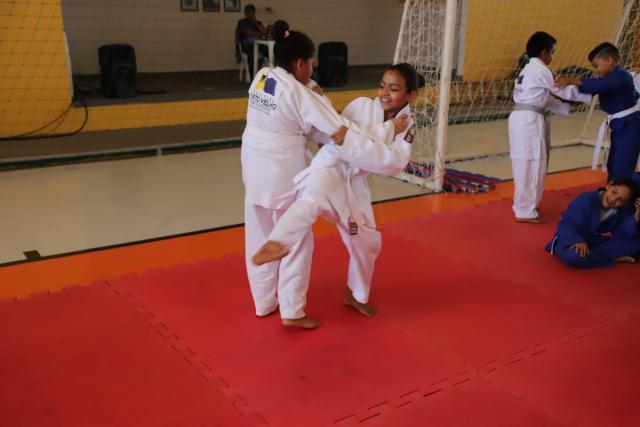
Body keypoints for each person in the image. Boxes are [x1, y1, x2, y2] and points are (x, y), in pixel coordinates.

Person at [241, 20, 398, 329]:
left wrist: (313, 91)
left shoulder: (262, 77)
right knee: (296, 238)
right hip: (281, 166)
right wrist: (388, 129)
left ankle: (263, 303)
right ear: (300, 62)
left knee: (258, 231)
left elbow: (295, 101)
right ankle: (292, 310)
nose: (312, 69)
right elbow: (338, 129)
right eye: (310, 64)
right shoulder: (302, 96)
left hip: (253, 164)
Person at [252, 63, 424, 322]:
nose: (385, 94)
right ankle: (278, 242)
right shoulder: (362, 105)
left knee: (367, 242)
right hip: (330, 166)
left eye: (394, 89)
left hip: (354, 183)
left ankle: (356, 294)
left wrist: (353, 141)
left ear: (410, 95)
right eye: (382, 86)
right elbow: (332, 133)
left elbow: (393, 162)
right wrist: (365, 137)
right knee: (310, 201)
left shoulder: (407, 125)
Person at [509, 32, 590, 224]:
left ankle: (524, 205)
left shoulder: (527, 70)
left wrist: (568, 105)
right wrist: (590, 91)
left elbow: (545, 98)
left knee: (525, 164)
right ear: (544, 52)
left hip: (522, 119)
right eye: (552, 52)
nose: (552, 57)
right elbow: (562, 89)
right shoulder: (541, 70)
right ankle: (526, 211)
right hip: (529, 121)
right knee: (533, 163)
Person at [556, 42, 640, 182]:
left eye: (596, 66)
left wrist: (572, 79)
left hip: (631, 126)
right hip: (620, 126)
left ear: (609, 61)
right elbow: (591, 91)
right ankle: (612, 190)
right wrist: (561, 96)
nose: (596, 70)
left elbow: (600, 85)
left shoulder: (622, 75)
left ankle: (623, 199)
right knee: (613, 163)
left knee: (623, 166)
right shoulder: (606, 79)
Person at [545, 178, 640, 268]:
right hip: (569, 238)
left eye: (621, 200)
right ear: (609, 185)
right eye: (614, 192)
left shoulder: (618, 210)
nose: (613, 199)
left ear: (625, 204)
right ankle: (611, 258)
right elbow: (567, 224)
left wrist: (636, 217)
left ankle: (594, 256)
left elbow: (622, 235)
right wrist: (577, 240)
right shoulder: (586, 199)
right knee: (574, 256)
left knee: (636, 245)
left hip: (592, 240)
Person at [235, 4, 267, 78]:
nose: (249, 14)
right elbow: (248, 32)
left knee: (268, 51)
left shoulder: (258, 22)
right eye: (247, 12)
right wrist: (259, 34)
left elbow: (265, 32)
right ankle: (253, 76)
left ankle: (262, 72)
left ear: (254, 12)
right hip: (246, 46)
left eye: (250, 12)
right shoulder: (242, 22)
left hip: (258, 45)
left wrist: (255, 23)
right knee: (252, 54)